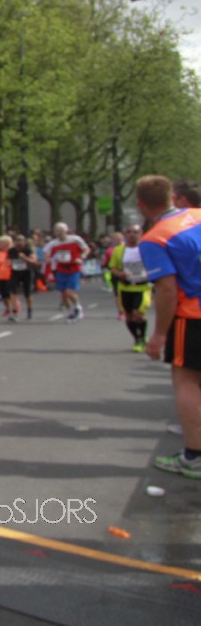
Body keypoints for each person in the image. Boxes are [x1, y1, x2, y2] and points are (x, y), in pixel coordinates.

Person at [136, 175, 201, 479]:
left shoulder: (155, 238)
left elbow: (167, 290)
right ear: (173, 196)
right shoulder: (198, 214)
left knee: (187, 381)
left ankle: (194, 456)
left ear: (141, 205)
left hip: (193, 314)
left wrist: (159, 334)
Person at [109, 224, 151, 352]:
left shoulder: (147, 248)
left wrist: (150, 274)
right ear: (125, 234)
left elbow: (156, 265)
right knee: (128, 316)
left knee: (137, 314)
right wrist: (120, 274)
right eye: (129, 232)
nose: (132, 234)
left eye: (135, 232)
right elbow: (113, 267)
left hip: (142, 287)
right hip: (125, 287)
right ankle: (137, 338)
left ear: (141, 233)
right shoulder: (119, 250)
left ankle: (142, 338)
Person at [44, 222, 89, 321]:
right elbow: (45, 252)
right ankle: (71, 311)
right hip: (61, 269)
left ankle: (78, 307)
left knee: (69, 291)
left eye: (61, 230)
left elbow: (86, 249)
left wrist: (82, 257)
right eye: (57, 231)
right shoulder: (53, 243)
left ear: (66, 230)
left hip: (74, 268)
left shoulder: (75, 239)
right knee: (63, 295)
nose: (59, 233)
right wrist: (48, 259)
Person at [7, 233, 39, 321]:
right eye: (17, 241)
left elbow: (34, 261)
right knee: (13, 292)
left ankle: (29, 309)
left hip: (26, 273)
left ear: (24, 242)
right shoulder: (12, 250)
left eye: (21, 241)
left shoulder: (28, 250)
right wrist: (9, 262)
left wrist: (24, 258)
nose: (19, 243)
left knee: (27, 294)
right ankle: (15, 311)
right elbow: (8, 259)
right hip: (15, 273)